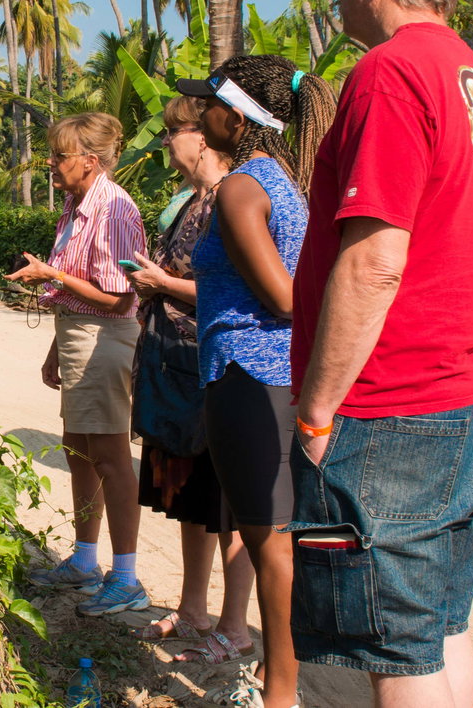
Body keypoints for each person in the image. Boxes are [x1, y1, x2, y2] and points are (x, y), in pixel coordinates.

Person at [288, 0, 473, 705]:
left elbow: (374, 262)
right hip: (466, 396)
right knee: (438, 629)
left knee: (394, 652)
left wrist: (318, 412)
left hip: (392, 408)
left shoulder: (391, 71)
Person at [177, 55, 336, 708]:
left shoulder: (244, 186)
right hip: (271, 381)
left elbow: (286, 299)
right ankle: (282, 688)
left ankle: (279, 696)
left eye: (206, 103)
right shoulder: (283, 178)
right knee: (277, 545)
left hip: (247, 377)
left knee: (270, 547)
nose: (194, 114)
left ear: (236, 118)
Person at [126, 96, 257, 664]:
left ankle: (236, 626)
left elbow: (245, 293)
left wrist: (162, 284)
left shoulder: (233, 199)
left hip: (217, 371)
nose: (165, 143)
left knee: (228, 504)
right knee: (189, 499)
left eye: (174, 131)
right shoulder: (189, 202)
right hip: (174, 369)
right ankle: (194, 607)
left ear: (201, 136)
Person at [4, 112, 150, 617]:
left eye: (60, 155)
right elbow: (79, 286)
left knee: (109, 457)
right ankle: (86, 560)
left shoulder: (114, 211)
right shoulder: (78, 203)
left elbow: (117, 298)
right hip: (78, 335)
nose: (51, 163)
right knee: (79, 452)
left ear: (90, 161)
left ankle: (126, 576)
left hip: (105, 339)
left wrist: (51, 276)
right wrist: (55, 346)